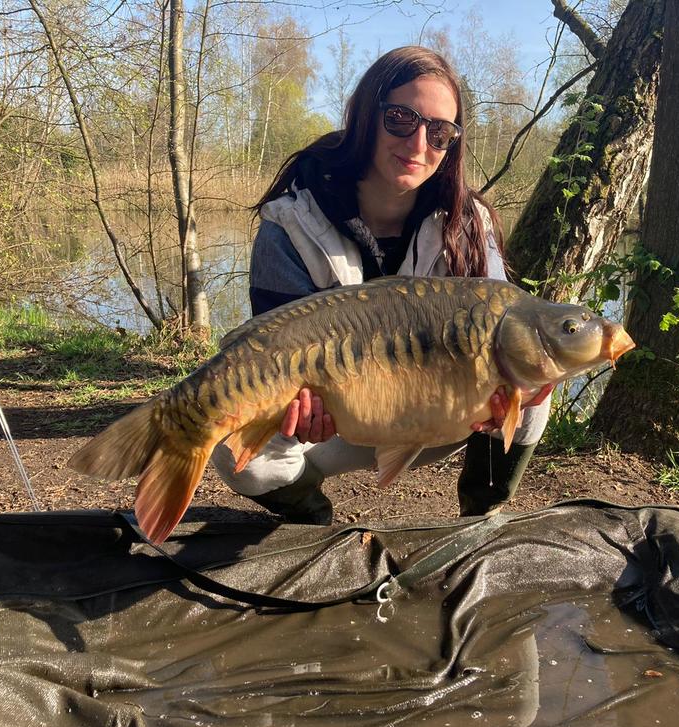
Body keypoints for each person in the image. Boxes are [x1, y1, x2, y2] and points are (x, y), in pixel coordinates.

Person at [211, 46, 551, 524]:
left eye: (439, 132)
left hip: (440, 417)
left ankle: (479, 520)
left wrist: (509, 390)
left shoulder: (470, 222)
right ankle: (310, 524)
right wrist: (300, 407)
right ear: (366, 117)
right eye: (400, 119)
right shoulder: (291, 224)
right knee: (233, 444)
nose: (418, 145)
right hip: (337, 421)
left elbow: (502, 331)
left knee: (532, 386)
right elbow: (272, 351)